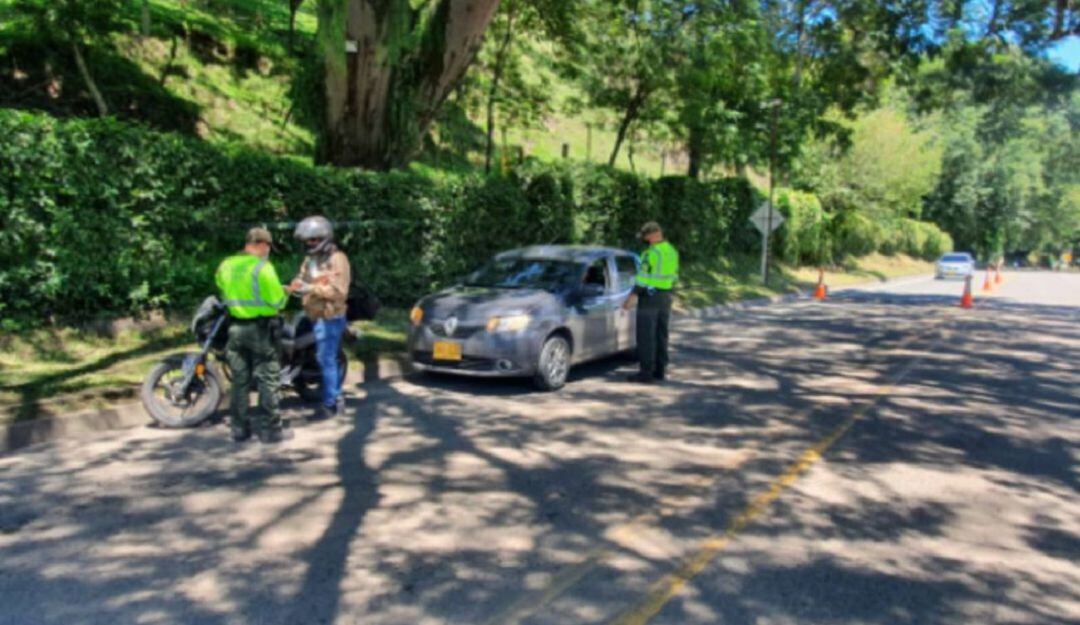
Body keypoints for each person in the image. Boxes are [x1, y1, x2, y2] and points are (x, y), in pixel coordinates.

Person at [215, 227, 289, 443]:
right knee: (268, 378)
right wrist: (285, 292)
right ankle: (270, 429)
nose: (268, 251)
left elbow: (222, 288)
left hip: (234, 328)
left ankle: (239, 428)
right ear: (262, 245)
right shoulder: (262, 267)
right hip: (260, 330)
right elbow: (277, 302)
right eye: (268, 247)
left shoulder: (225, 265)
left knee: (239, 381)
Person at [286, 216, 351, 418]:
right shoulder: (311, 259)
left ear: (324, 237)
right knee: (315, 356)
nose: (309, 244)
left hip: (330, 317)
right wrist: (295, 284)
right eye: (307, 241)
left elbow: (339, 291)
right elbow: (302, 276)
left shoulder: (337, 259)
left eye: (313, 240)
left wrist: (311, 288)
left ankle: (332, 403)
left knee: (326, 359)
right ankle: (330, 395)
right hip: (312, 315)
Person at [623, 221, 679, 383]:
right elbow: (674, 276)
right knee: (661, 334)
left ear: (653, 235)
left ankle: (646, 372)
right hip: (666, 297)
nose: (645, 239)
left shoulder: (650, 253)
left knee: (646, 335)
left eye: (646, 236)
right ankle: (660, 370)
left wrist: (632, 296)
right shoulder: (671, 251)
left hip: (650, 298)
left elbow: (642, 278)